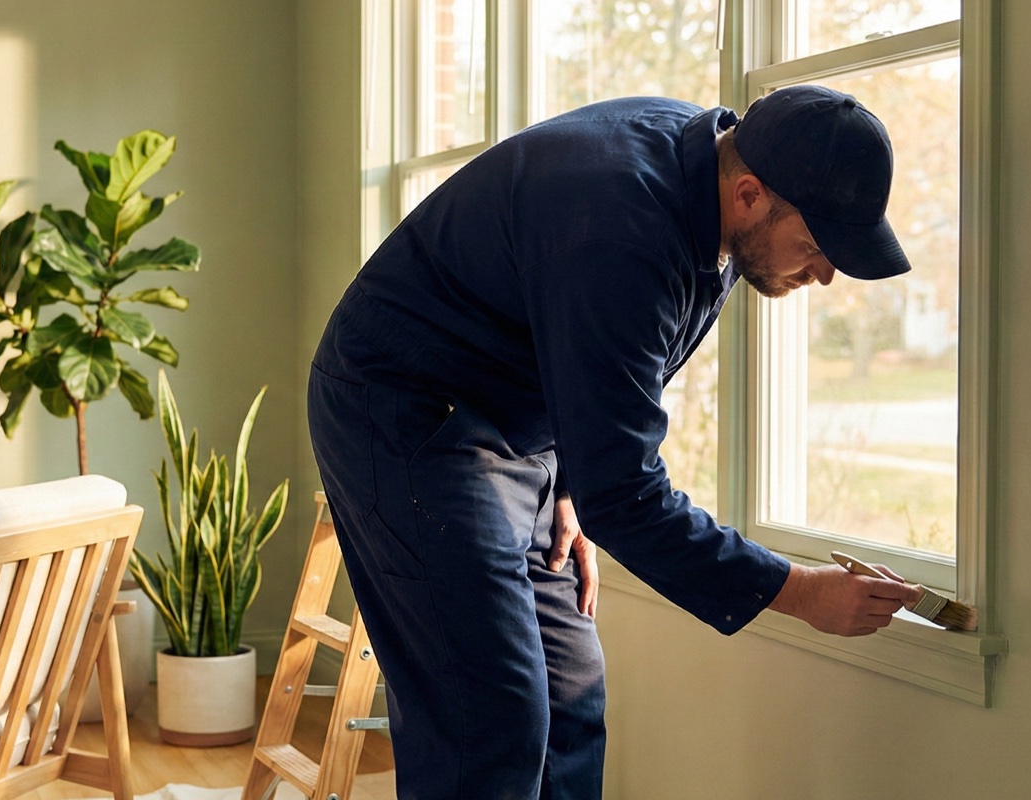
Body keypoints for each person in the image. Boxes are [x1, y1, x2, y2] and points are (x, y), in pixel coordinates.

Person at [306, 85, 925, 799]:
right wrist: (799, 592)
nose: (825, 274)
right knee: (490, 718)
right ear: (751, 194)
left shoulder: (714, 183)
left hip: (513, 421)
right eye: (816, 246)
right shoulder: (621, 230)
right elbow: (626, 494)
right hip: (407, 414)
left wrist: (570, 487)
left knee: (570, 697)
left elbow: (599, 373)